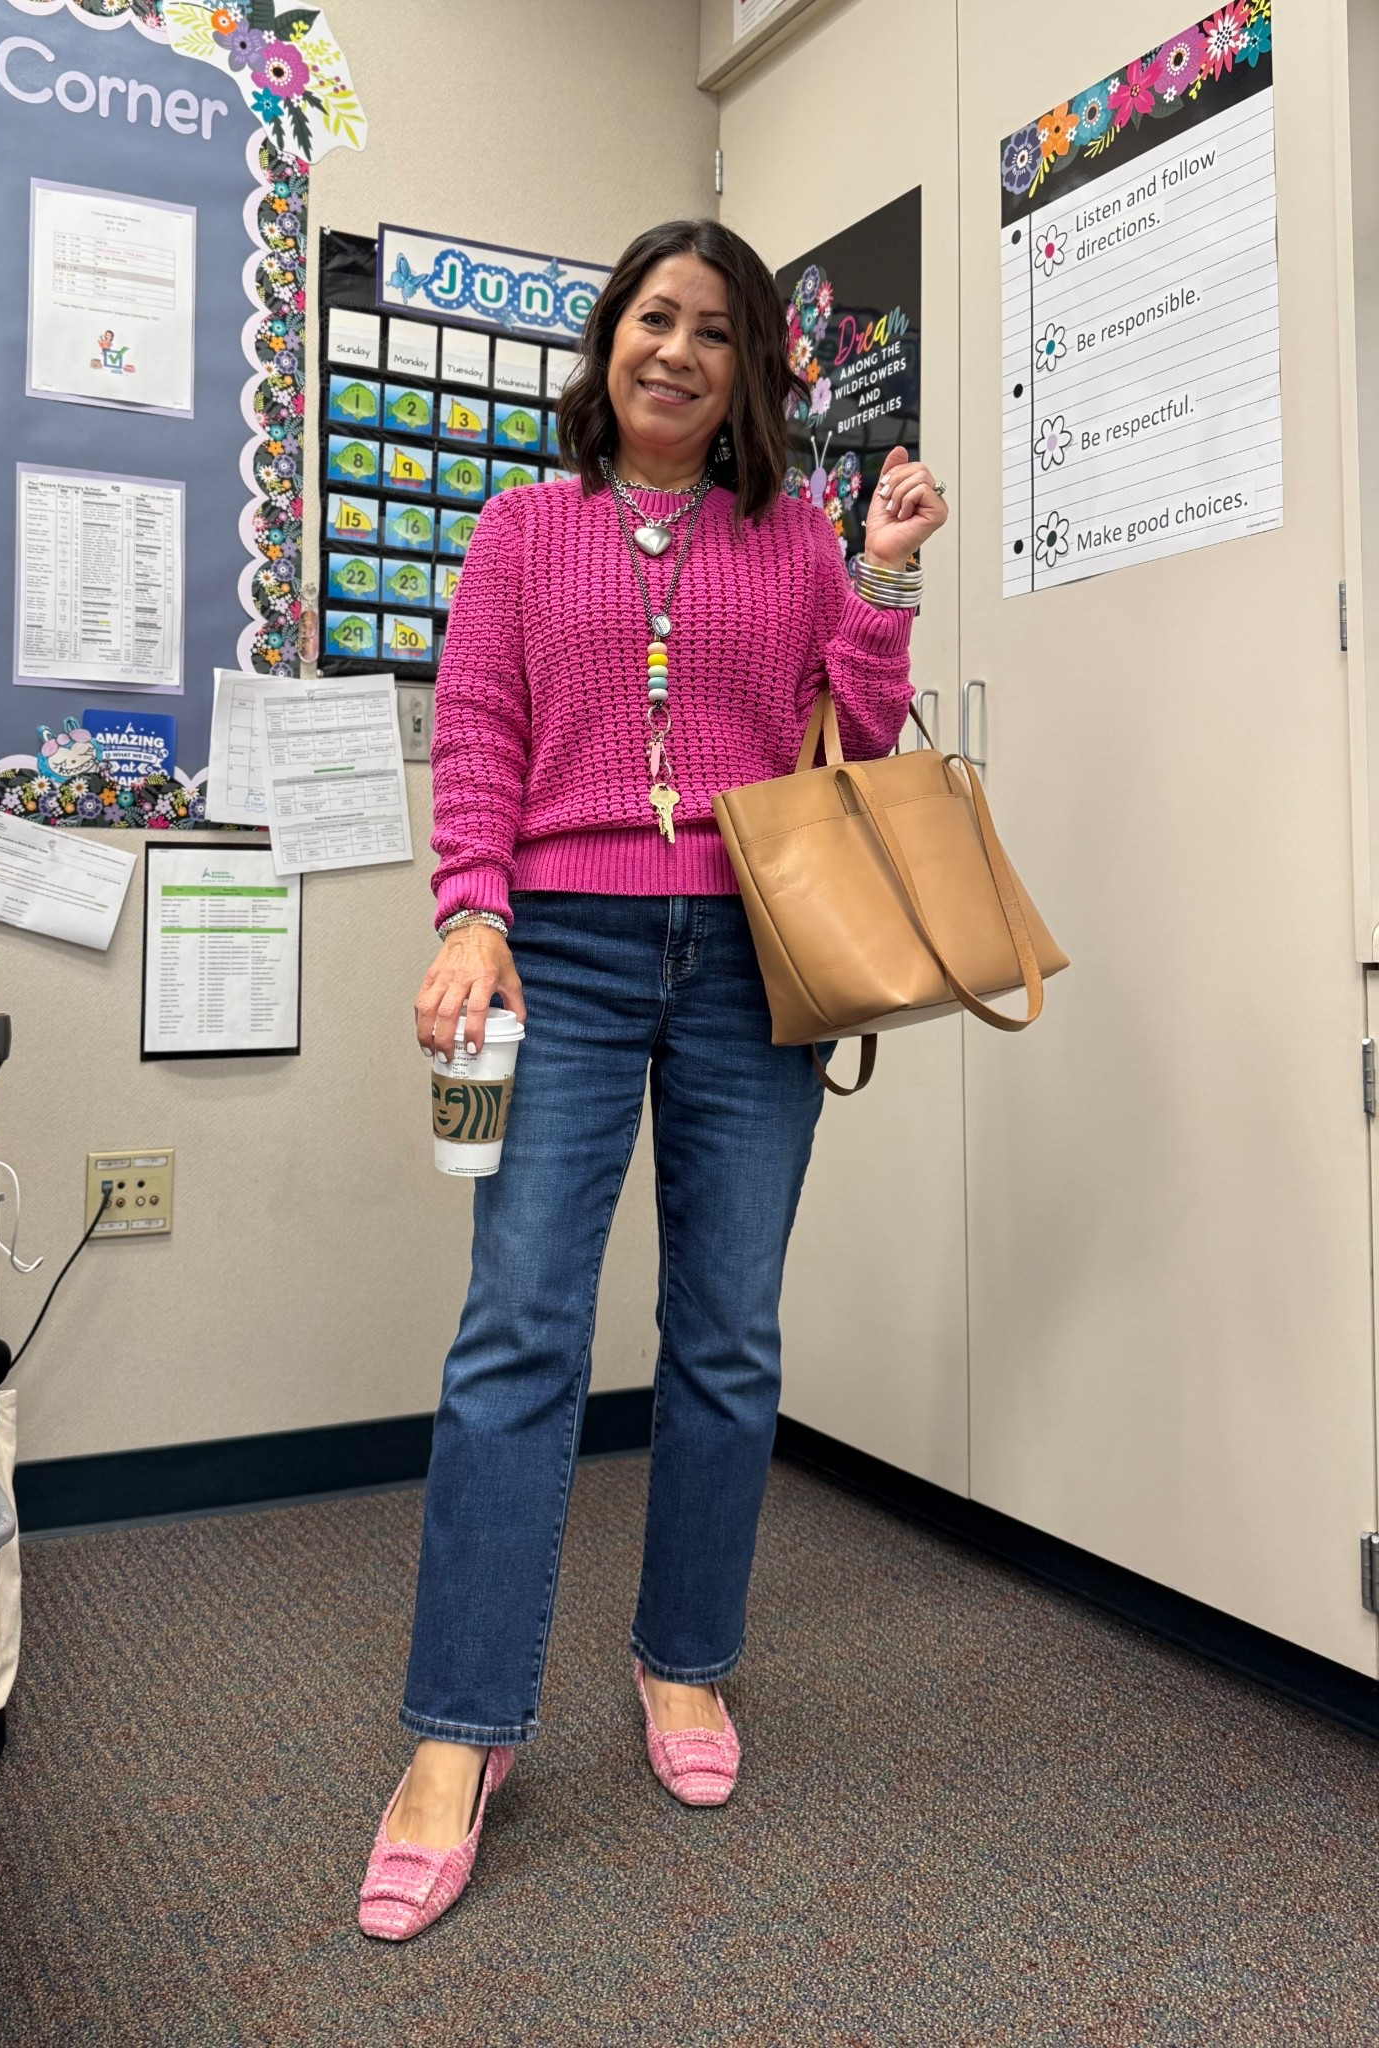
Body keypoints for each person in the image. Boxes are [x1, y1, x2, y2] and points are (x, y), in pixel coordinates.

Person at [359, 218, 948, 1941]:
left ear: (759, 365)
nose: (677, 350)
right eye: (652, 319)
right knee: (519, 1331)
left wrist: (888, 576)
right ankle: (457, 1735)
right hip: (571, 950)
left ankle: (685, 1661)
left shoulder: (793, 538)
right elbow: (476, 732)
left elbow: (868, 736)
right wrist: (474, 915)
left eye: (714, 329)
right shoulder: (523, 529)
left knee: (729, 1334)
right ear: (608, 343)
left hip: (755, 960)